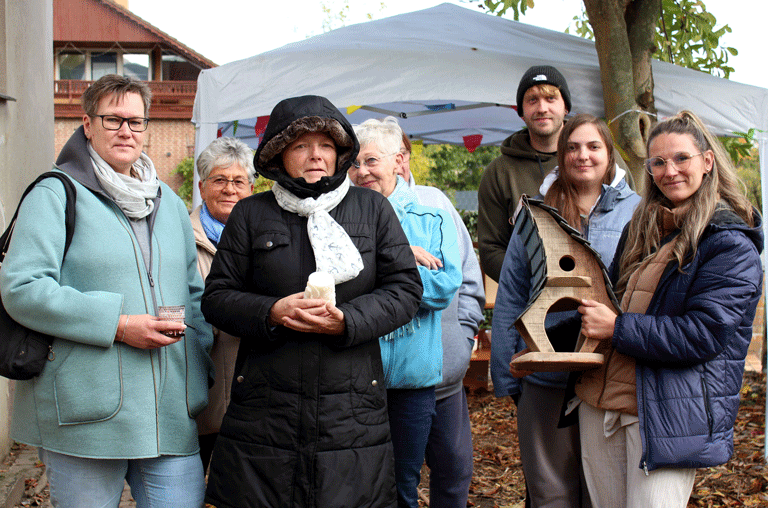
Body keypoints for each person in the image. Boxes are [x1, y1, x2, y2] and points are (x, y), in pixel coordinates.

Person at [0, 74, 213, 507]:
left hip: (169, 411)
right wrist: (118, 324)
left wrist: (197, 370)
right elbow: (23, 287)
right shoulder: (55, 193)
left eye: (136, 121)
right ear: (87, 124)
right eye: (113, 119)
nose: (126, 131)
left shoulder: (169, 203)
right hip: (86, 413)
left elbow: (194, 296)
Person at [201, 95, 423, 508]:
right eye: (301, 145)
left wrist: (349, 321)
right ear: (278, 155)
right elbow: (216, 298)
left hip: (351, 405)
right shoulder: (250, 214)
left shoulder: (372, 209)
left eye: (325, 145)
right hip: (267, 406)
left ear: (339, 153)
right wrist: (271, 312)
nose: (315, 155)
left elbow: (405, 289)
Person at [575, 110, 762, 508]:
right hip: (601, 403)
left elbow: (703, 334)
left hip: (667, 415)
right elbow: (609, 304)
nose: (669, 171)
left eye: (681, 158)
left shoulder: (729, 243)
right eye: (658, 162)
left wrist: (617, 328)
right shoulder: (642, 227)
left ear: (707, 161)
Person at [491, 114, 640, 508]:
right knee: (551, 490)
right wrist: (507, 372)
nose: (582, 155)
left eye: (593, 146)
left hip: (609, 374)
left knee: (602, 491)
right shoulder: (538, 212)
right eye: (572, 147)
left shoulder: (637, 212)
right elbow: (512, 293)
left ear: (609, 155)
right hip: (545, 377)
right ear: (561, 156)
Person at [349, 118, 463, 508]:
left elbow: (443, 288)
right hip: (352, 377)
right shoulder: (339, 220)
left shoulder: (432, 217)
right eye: (354, 163)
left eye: (371, 160)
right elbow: (334, 285)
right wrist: (400, 257)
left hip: (411, 381)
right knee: (353, 485)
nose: (361, 171)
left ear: (398, 161)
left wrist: (379, 267)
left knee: (401, 486)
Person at [395, 121, 486, 508]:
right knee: (399, 477)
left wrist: (462, 339)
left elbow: (467, 276)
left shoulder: (435, 202)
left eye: (398, 154)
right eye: (365, 158)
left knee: (454, 470)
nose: (393, 164)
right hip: (391, 381)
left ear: (404, 157)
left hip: (445, 373)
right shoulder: (360, 208)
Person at [191, 137, 256, 472]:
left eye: (238, 181)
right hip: (199, 387)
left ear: (251, 189)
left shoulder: (267, 239)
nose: (230, 189)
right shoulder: (179, 237)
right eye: (219, 180)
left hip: (254, 393)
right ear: (202, 187)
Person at [478, 65, 572, 283]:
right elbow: (491, 250)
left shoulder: (598, 158)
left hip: (599, 293)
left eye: (551, 98)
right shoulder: (499, 173)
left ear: (566, 106)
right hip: (528, 294)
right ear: (521, 111)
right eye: (532, 100)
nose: (542, 108)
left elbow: (629, 227)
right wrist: (536, 284)